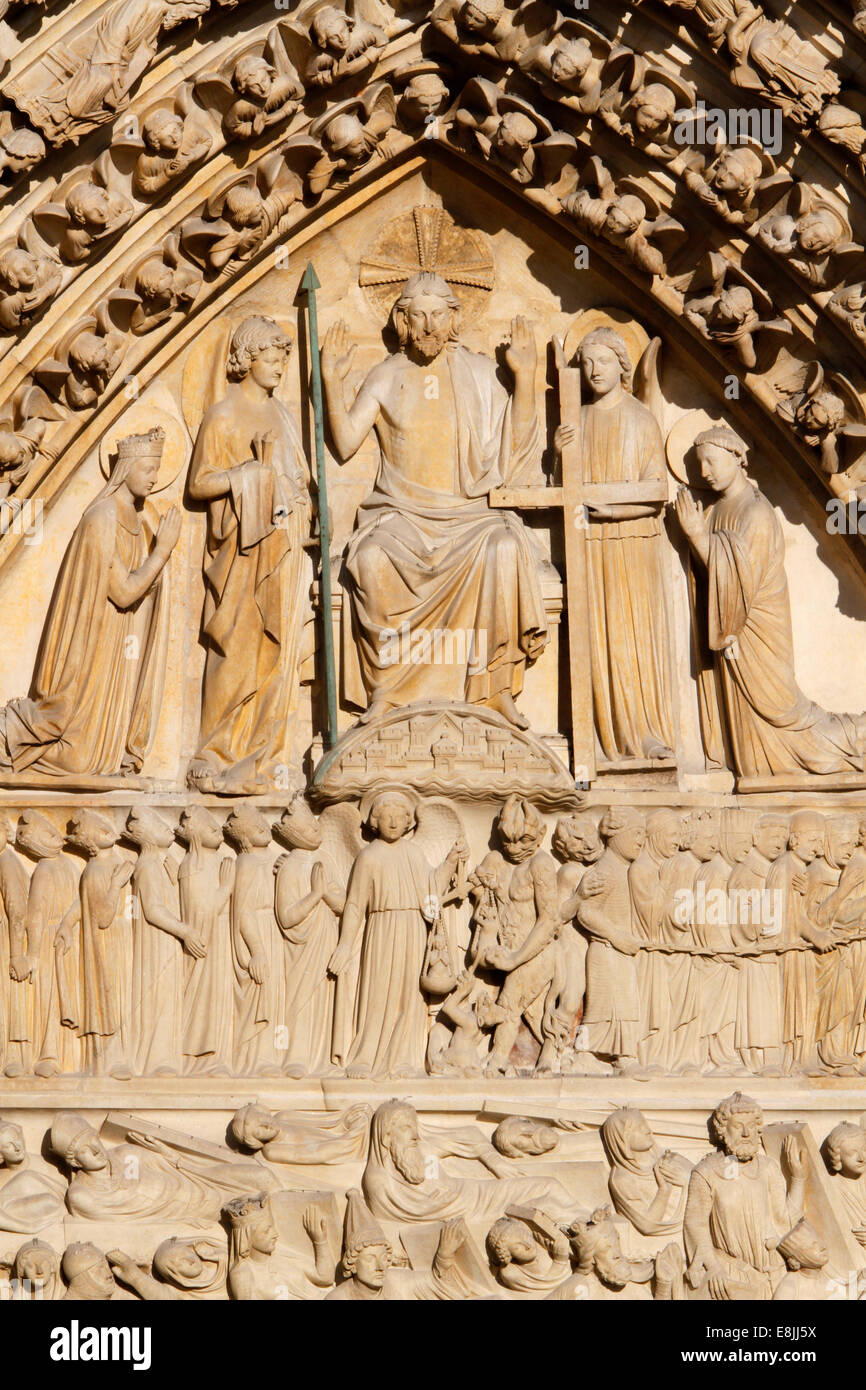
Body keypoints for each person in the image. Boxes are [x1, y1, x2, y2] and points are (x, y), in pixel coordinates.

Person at [321, 272, 547, 728]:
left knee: (504, 548)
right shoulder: (385, 376)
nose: (428, 326)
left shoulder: (482, 374)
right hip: (400, 516)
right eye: (417, 316)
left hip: (470, 516)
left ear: (454, 318)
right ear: (402, 320)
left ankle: (494, 687)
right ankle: (386, 691)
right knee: (368, 557)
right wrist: (329, 381)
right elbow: (344, 444)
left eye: (437, 315)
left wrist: (525, 378)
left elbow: (515, 449)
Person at [675, 426, 864, 777]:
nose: (704, 472)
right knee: (755, 738)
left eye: (712, 462)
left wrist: (698, 536)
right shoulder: (717, 510)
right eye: (700, 464)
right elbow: (716, 575)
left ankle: (855, 737)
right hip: (733, 634)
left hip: (754, 633)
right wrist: (700, 535)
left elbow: (740, 581)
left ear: (737, 458)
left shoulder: (756, 512)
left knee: (783, 714)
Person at [0, 428, 178, 779]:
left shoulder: (140, 521)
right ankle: (8, 734)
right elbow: (125, 592)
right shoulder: (102, 518)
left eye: (158, 469)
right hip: (89, 656)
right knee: (78, 761)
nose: (155, 479)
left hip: (116, 650)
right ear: (126, 468)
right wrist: (162, 550)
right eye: (148, 469)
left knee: (97, 762)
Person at [188, 316, 310, 794]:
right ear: (245, 358)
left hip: (286, 544)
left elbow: (297, 477)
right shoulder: (223, 415)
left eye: (284, 357)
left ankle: (263, 760)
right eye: (271, 356)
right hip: (241, 553)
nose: (280, 365)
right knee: (237, 649)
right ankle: (214, 753)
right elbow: (200, 483)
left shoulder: (282, 414)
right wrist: (249, 473)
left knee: (280, 656)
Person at [557, 327, 674, 761]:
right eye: (585, 362)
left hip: (633, 545)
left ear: (622, 366)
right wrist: (557, 452)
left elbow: (656, 489)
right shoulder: (579, 421)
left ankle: (644, 733)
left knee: (632, 638)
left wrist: (609, 510)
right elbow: (562, 491)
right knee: (596, 640)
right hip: (589, 546)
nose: (593, 371)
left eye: (602, 361)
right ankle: (600, 742)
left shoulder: (640, 418)